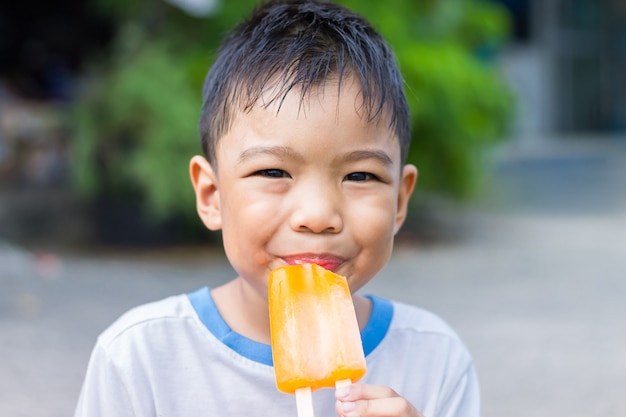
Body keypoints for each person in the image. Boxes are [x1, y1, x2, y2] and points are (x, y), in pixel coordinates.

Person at [74, 1, 480, 416]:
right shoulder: (139, 359)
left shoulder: (436, 360)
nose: (318, 216)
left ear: (399, 201)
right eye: (273, 171)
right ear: (212, 196)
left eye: (360, 176)